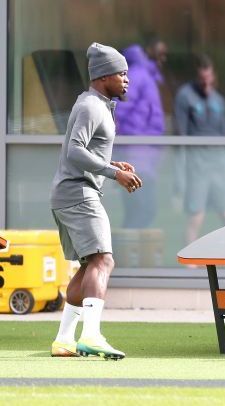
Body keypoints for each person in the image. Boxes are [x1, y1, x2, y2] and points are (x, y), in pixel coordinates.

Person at [49, 42, 143, 359]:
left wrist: (113, 164)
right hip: (79, 193)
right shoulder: (91, 106)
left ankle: (64, 339)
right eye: (122, 73)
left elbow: (83, 149)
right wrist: (113, 174)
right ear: (104, 76)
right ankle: (90, 335)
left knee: (90, 264)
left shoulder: (95, 103)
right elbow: (75, 151)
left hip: (69, 193)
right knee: (104, 260)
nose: (127, 79)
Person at [174, 54, 225, 244]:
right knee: (196, 217)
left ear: (214, 76)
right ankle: (189, 264)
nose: (206, 83)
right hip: (197, 167)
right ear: (196, 76)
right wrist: (180, 178)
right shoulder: (185, 96)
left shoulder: (219, 101)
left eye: (209, 78)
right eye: (202, 79)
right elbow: (180, 138)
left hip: (218, 167)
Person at [115, 44, 164, 230]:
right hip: (136, 156)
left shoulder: (145, 76)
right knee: (144, 210)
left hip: (144, 156)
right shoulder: (137, 75)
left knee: (141, 211)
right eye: (161, 53)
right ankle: (120, 255)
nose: (164, 58)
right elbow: (119, 109)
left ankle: (127, 254)